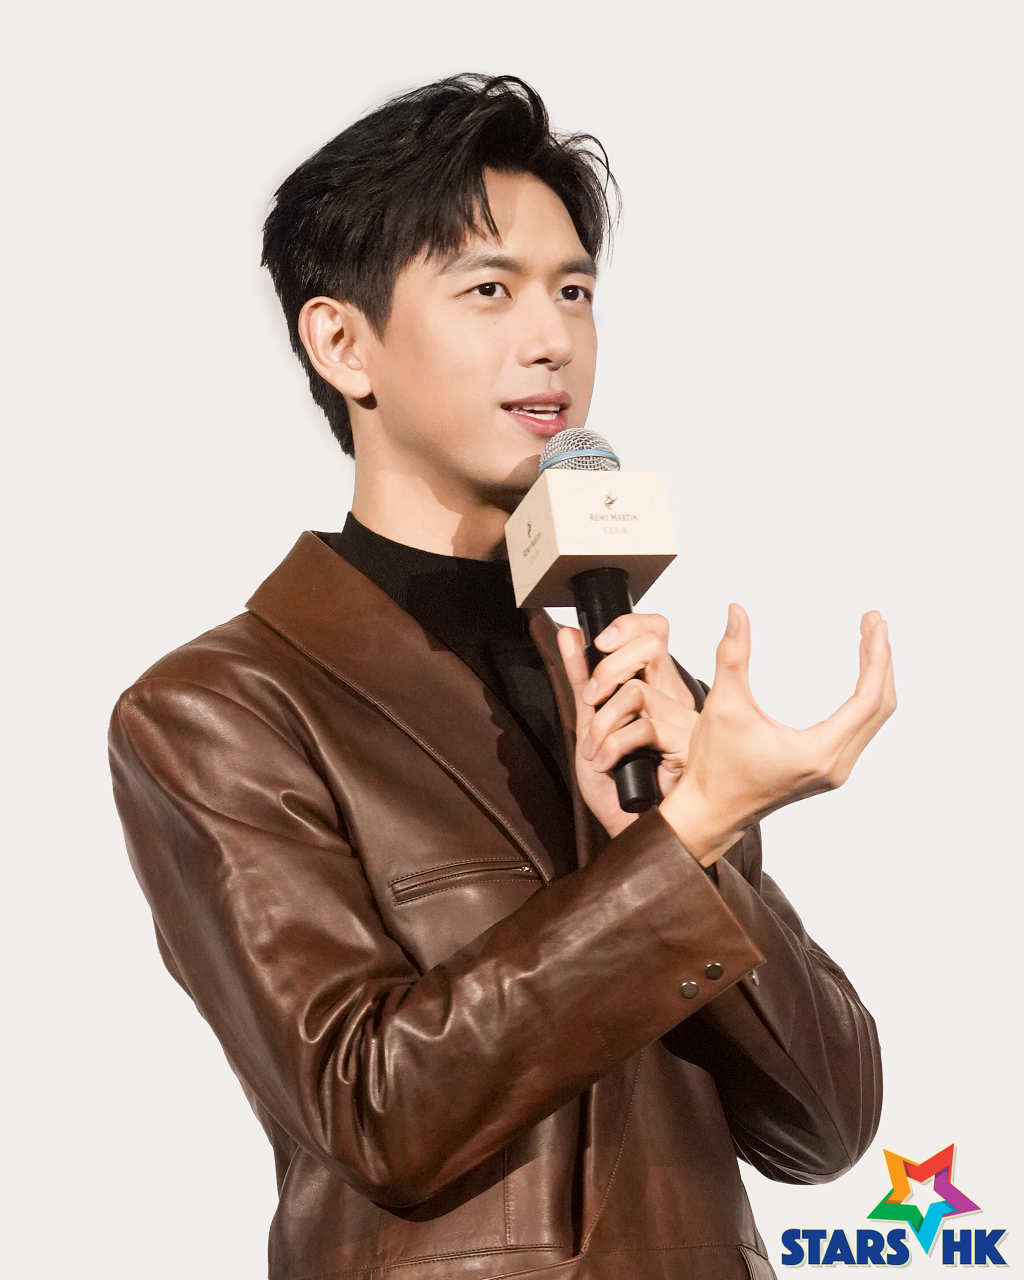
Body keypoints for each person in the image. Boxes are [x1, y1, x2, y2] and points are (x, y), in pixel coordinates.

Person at [107, 73, 896, 1280]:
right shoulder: (219, 709)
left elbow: (824, 1127)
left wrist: (700, 837)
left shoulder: (631, 676)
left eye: (574, 290)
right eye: (489, 289)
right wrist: (682, 840)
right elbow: (375, 1109)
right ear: (341, 342)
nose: (552, 340)